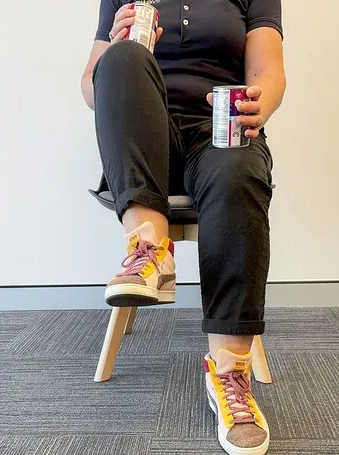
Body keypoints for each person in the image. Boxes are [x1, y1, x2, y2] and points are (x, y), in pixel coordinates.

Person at [80, 1, 285, 454]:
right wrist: (113, 47)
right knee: (122, 58)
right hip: (140, 139)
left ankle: (231, 372)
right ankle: (151, 249)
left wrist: (259, 103)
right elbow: (91, 89)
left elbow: (270, 70)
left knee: (239, 173)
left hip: (220, 129)